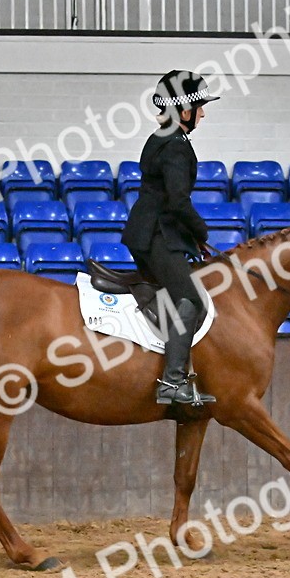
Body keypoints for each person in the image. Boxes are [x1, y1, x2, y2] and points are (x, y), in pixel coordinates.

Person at [121, 69, 219, 405]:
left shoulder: (162, 138)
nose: (203, 114)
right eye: (200, 107)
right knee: (191, 299)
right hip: (156, 235)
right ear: (185, 110)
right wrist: (201, 231)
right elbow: (178, 201)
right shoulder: (175, 146)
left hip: (150, 231)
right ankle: (172, 382)